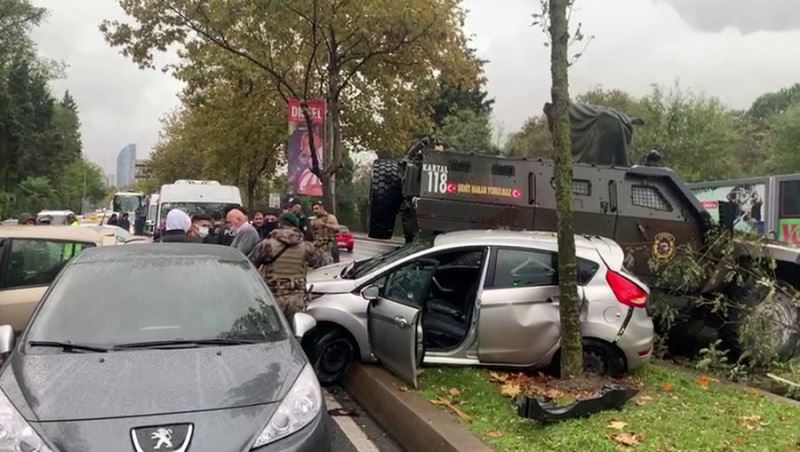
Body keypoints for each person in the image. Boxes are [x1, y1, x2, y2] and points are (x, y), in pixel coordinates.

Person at [249, 213, 327, 320]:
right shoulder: (306, 247)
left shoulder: (267, 245)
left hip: (272, 297)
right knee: (296, 331)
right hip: (296, 299)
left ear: (279, 224)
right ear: (296, 226)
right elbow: (325, 263)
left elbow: (249, 265)